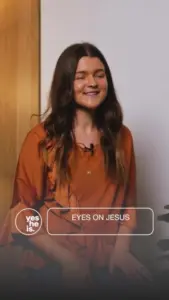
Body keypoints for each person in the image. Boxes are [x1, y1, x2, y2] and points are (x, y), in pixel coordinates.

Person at [0, 42, 151, 294]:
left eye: (99, 75)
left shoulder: (122, 137)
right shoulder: (40, 139)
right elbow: (21, 214)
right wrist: (67, 261)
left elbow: (127, 206)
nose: (92, 83)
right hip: (50, 269)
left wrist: (121, 253)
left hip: (104, 267)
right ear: (66, 85)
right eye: (81, 77)